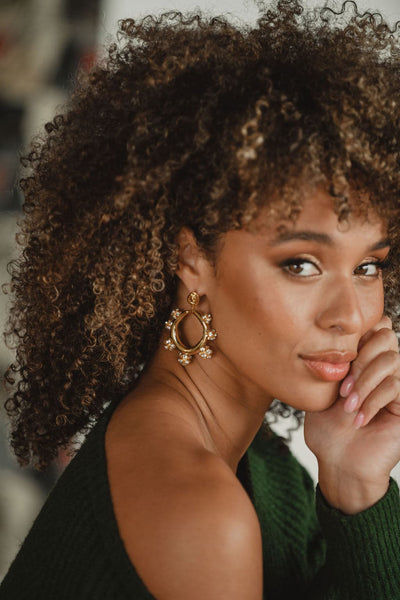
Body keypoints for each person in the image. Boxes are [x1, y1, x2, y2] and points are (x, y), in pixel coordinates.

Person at [1, 0, 400, 597]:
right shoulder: (200, 513)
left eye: (368, 266)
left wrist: (356, 487)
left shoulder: (261, 466)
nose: (351, 315)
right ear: (191, 259)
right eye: (300, 264)